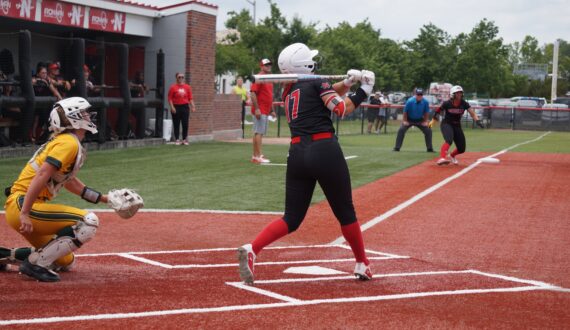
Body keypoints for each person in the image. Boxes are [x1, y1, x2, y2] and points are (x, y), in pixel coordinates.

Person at [237, 43, 375, 285]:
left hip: (297, 154)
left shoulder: (290, 90)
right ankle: (362, 262)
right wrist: (364, 89)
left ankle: (253, 248)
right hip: (324, 151)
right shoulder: (316, 81)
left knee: (291, 218)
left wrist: (347, 83)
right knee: (345, 212)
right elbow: (341, 108)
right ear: (304, 64)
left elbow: (324, 92)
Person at [2, 97, 108, 282]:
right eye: (83, 112)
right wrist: (25, 212)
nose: (88, 116)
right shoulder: (69, 142)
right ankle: (36, 264)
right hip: (24, 205)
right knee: (88, 222)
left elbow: (69, 182)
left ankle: (7, 254)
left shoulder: (66, 141)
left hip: (21, 204)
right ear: (73, 117)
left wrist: (106, 199)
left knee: (66, 260)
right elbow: (42, 174)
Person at [429, 85, 484, 165]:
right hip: (446, 124)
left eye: (460, 93)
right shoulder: (447, 103)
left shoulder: (464, 103)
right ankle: (442, 158)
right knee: (449, 140)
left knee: (461, 148)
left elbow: (472, 113)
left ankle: (452, 155)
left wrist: (477, 121)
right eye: (457, 93)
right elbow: (438, 111)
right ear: (452, 94)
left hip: (457, 125)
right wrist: (433, 120)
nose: (459, 95)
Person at [250, 58, 275, 164]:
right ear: (261, 66)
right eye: (266, 65)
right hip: (260, 110)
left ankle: (256, 156)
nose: (268, 66)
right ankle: (258, 156)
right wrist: (257, 109)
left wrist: (272, 110)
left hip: (265, 109)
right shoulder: (259, 77)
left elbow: (269, 96)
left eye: (269, 64)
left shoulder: (268, 78)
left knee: (258, 132)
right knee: (259, 132)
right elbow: (252, 93)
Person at [393, 88, 434, 152]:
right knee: (401, 129)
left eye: (421, 95)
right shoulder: (410, 101)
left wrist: (425, 121)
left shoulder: (425, 102)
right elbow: (405, 112)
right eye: (418, 94)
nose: (419, 96)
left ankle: (429, 148)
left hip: (420, 119)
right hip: (409, 119)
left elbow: (426, 112)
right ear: (415, 94)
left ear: (422, 95)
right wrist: (405, 121)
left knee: (429, 129)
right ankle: (397, 148)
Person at [167, 72, 196, 145]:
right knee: (176, 123)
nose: (181, 78)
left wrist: (193, 106)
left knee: (185, 123)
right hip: (176, 106)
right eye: (179, 77)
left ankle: (184, 139)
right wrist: (172, 107)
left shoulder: (187, 87)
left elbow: (190, 98)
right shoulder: (173, 87)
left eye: (182, 77)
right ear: (176, 78)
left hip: (185, 107)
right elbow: (169, 98)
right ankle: (177, 139)